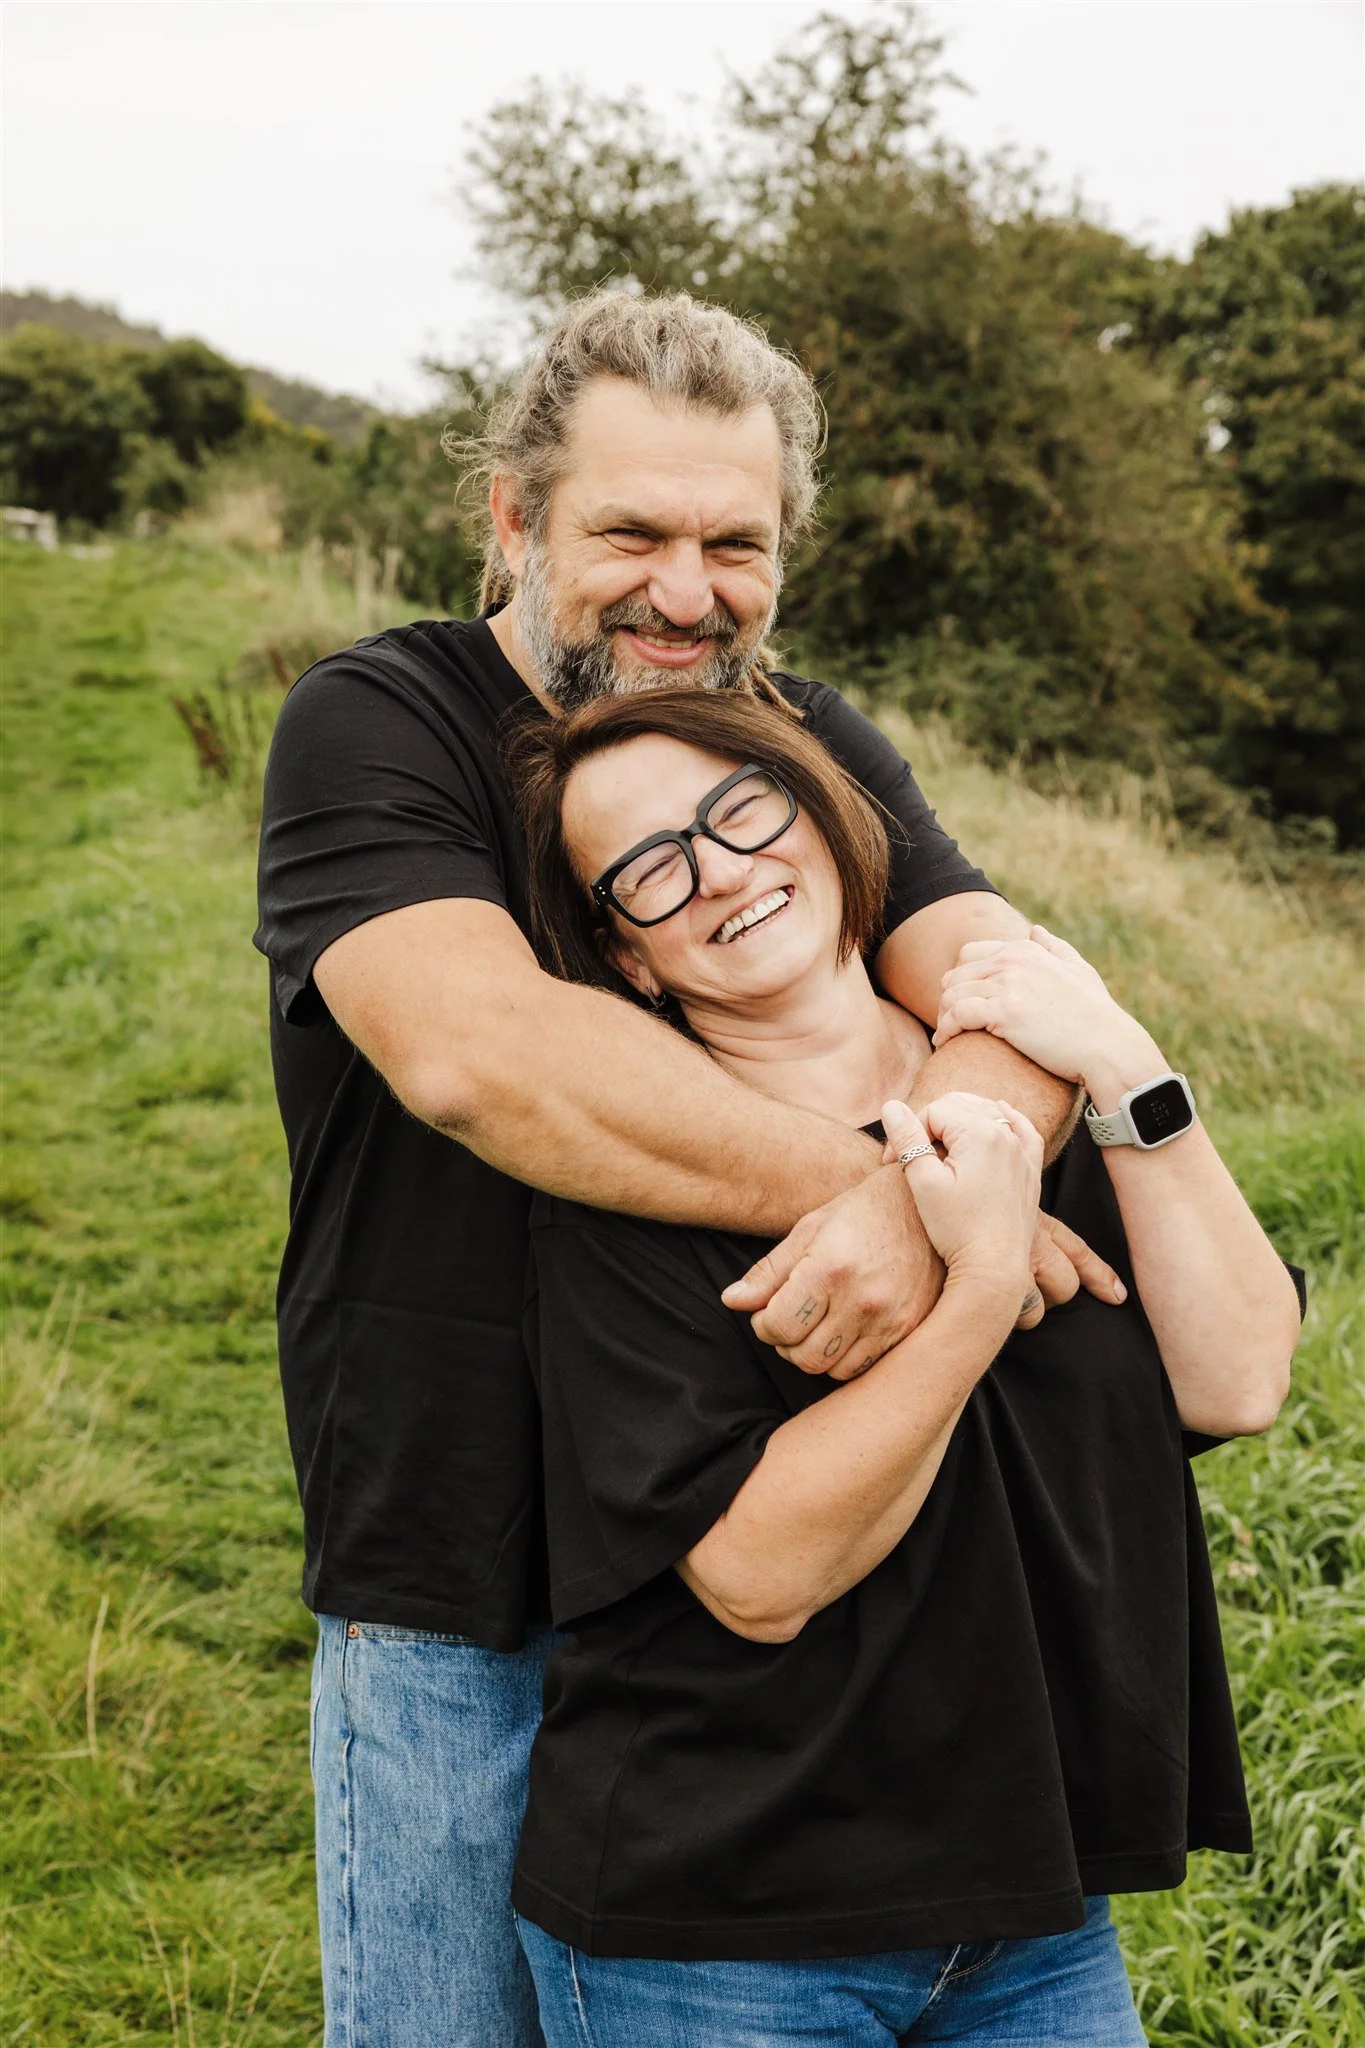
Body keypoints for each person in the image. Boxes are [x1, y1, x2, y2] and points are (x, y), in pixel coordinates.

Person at [254, 291, 1122, 2048]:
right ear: (509, 519)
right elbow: (488, 1062)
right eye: (629, 532)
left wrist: (953, 1182)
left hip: (761, 1543)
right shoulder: (378, 725)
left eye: (738, 542)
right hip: (466, 1579)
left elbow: (1023, 1000)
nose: (687, 590)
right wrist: (895, 1199)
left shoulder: (796, 736)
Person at [505, 686, 1303, 2047]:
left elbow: (1235, 1380)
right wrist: (983, 1283)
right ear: (627, 957)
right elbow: (758, 1577)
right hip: (726, 1929)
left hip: (1031, 1915)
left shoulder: (1034, 1097)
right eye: (652, 870)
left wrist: (1118, 1055)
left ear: (822, 815)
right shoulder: (633, 1186)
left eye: (743, 809)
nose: (722, 873)